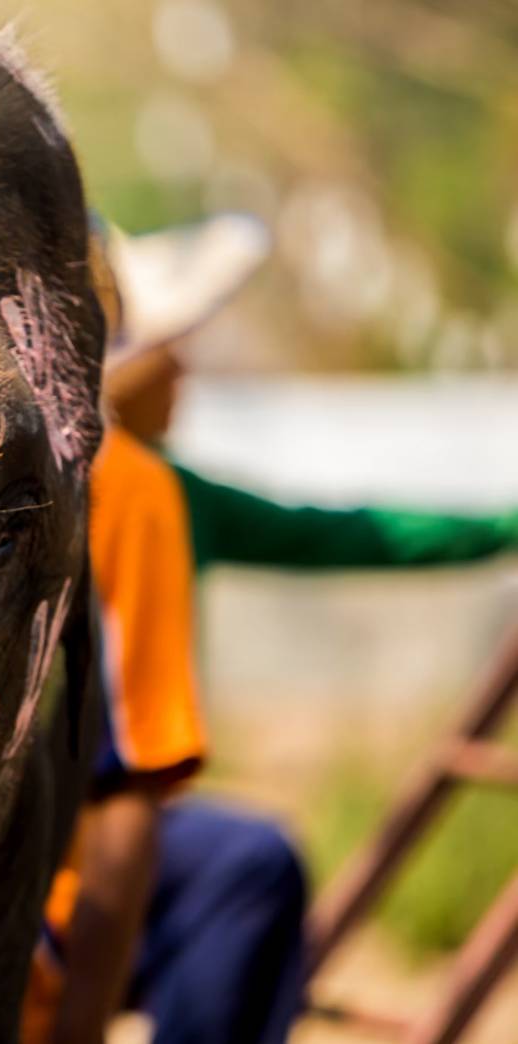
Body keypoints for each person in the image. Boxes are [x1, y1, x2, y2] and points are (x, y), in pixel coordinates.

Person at [27, 214, 518, 1044]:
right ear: (119, 368)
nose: (182, 367)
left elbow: (355, 534)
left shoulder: (178, 497)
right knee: (248, 866)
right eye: (165, 348)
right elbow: (130, 791)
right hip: (52, 857)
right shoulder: (140, 492)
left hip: (10, 839)